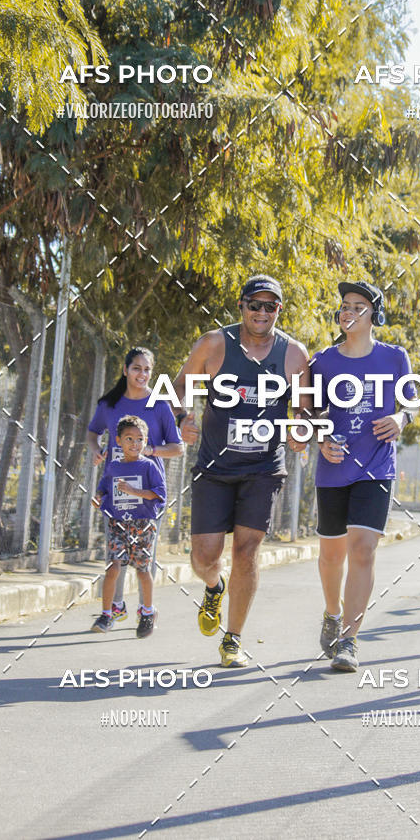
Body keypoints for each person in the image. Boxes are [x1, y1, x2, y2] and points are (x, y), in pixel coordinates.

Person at [171, 275, 310, 667]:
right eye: (255, 304)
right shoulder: (214, 345)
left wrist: (302, 426)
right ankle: (214, 587)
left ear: (279, 311)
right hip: (215, 466)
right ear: (242, 306)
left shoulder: (293, 354)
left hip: (264, 467)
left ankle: (232, 639)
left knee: (246, 552)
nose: (262, 312)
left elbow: (305, 407)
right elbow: (179, 387)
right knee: (203, 558)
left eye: (271, 306)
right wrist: (183, 416)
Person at [309, 280, 416, 673]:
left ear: (375, 315)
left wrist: (401, 418)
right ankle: (332, 613)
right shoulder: (322, 362)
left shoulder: (394, 358)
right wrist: (321, 439)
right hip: (334, 468)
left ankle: (350, 641)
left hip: (376, 467)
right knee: (331, 555)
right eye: (344, 305)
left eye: (358, 305)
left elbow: (411, 402)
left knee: (363, 550)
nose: (348, 310)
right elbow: (313, 413)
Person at [87, 347, 183, 625]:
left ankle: (146, 612)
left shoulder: (160, 405)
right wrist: (95, 449)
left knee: (143, 555)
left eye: (147, 370)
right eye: (136, 368)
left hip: (150, 491)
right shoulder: (109, 404)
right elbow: (93, 431)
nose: (142, 374)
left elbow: (177, 448)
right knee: (115, 553)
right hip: (117, 490)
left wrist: (149, 451)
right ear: (125, 370)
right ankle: (115, 607)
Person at [91, 416, 166, 638]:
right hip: (118, 524)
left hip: (143, 526)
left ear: (145, 441)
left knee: (143, 571)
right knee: (113, 568)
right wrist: (98, 497)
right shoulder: (113, 467)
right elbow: (104, 487)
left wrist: (134, 491)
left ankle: (147, 612)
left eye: (140, 439)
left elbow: (158, 493)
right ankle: (106, 614)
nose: (135, 443)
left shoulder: (149, 466)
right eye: (129, 439)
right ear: (118, 441)